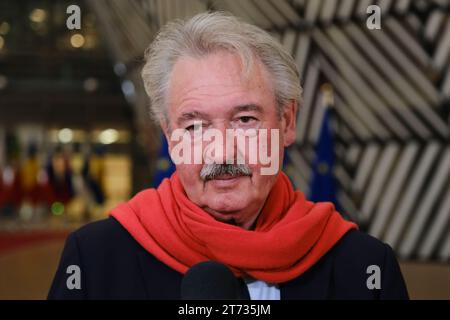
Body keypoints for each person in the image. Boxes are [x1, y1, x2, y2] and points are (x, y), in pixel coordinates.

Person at [48, 12, 408, 300]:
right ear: (169, 137)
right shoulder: (95, 261)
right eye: (195, 126)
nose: (221, 150)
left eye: (245, 119)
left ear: (286, 122)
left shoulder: (365, 267)